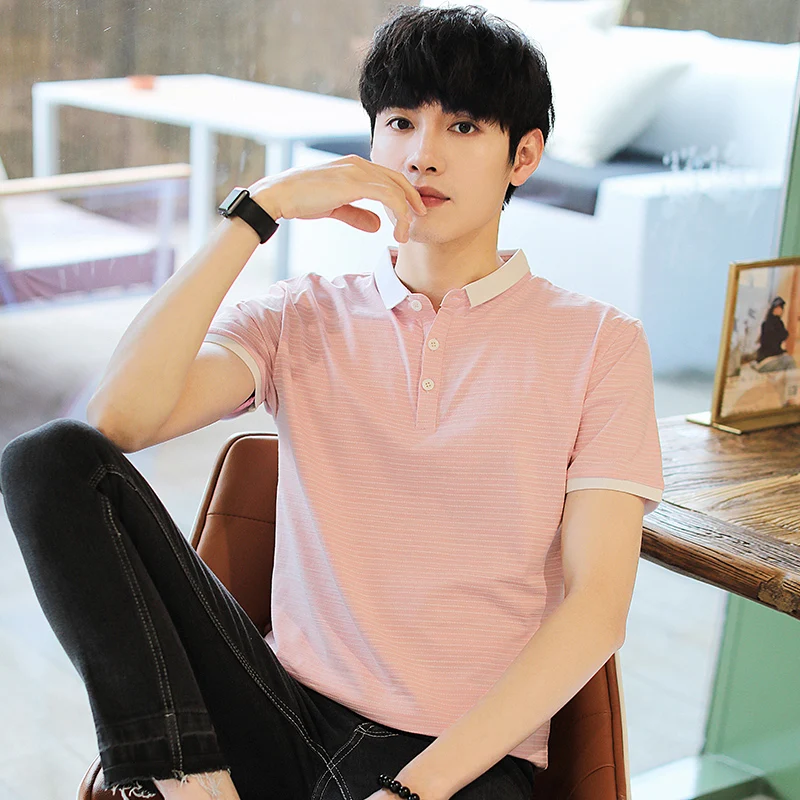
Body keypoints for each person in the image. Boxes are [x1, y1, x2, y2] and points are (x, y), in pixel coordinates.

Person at [0, 5, 664, 800]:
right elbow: (118, 420)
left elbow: (597, 608)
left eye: (462, 128)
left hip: (460, 762)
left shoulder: (599, 343)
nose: (422, 154)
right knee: (47, 461)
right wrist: (258, 212)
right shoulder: (301, 312)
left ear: (523, 155)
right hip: (280, 714)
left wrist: (414, 791)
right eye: (400, 122)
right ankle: (189, 782)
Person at [754, 296, 796, 372]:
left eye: (781, 308)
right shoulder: (768, 324)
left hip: (772, 358)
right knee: (789, 361)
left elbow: (783, 335)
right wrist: (782, 352)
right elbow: (772, 343)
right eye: (777, 308)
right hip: (767, 360)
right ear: (773, 309)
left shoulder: (778, 323)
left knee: (788, 360)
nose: (779, 310)